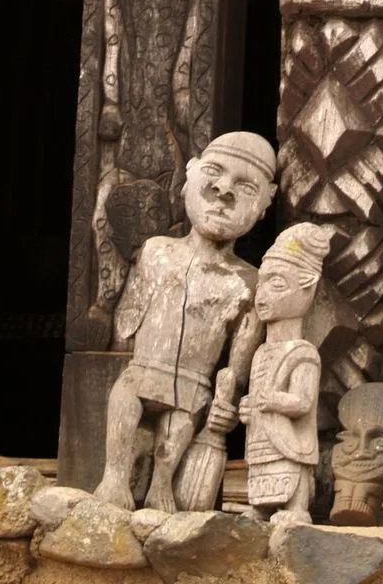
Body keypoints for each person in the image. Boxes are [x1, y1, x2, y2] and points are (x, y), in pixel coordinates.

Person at [93, 131, 276, 512]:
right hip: (144, 368)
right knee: (125, 400)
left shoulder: (249, 283)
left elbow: (236, 366)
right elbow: (127, 322)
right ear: (189, 176)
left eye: (245, 187)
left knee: (177, 431)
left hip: (193, 387)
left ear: (264, 206)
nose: (223, 190)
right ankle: (114, 477)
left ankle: (163, 488)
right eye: (214, 172)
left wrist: (228, 403)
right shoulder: (156, 253)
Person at [240, 221, 332, 524]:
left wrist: (272, 400)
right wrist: (249, 407)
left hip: (289, 441)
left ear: (306, 290)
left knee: (292, 470)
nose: (263, 294)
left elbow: (303, 403)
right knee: (262, 467)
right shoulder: (260, 353)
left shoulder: (303, 352)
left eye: (276, 285)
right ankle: (261, 505)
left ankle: (296, 506)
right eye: (261, 284)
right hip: (262, 438)